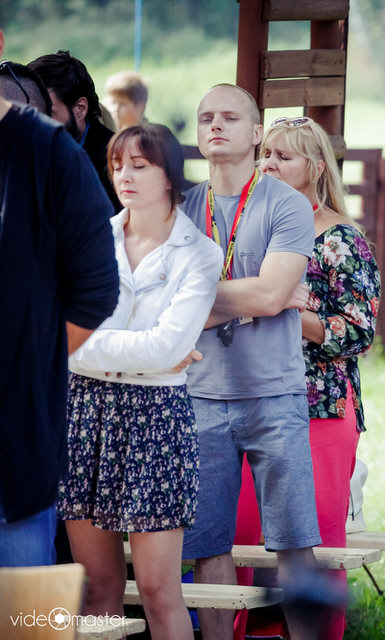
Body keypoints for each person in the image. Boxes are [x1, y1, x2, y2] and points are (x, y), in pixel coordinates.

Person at [58, 124, 222, 639]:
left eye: (139, 165)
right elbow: (59, 335)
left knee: (157, 590)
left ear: (169, 175)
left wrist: (88, 348)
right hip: (84, 412)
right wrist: (138, 352)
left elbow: (167, 348)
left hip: (155, 419)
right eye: (117, 166)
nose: (124, 176)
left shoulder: (200, 253)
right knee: (98, 586)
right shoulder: (87, 239)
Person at [230, 115, 380, 640]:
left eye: (284, 156)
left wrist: (294, 312)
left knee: (313, 547)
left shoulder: (340, 239)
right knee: (238, 537)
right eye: (266, 154)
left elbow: (359, 331)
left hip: (319, 407)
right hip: (244, 399)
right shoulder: (245, 226)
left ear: (315, 168)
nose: (269, 164)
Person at [180, 84, 320, 640]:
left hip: (273, 394)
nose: (216, 125)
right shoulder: (181, 208)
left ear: (257, 133)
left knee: (294, 542)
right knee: (206, 544)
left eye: (229, 117)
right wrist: (259, 295)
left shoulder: (285, 203)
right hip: (197, 394)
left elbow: (271, 294)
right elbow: (160, 305)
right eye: (206, 117)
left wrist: (195, 304)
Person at [0, 26, 118, 568]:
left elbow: (95, 292)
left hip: (16, 452)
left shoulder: (52, 155)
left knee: (26, 611)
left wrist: (29, 363)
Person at [28, 50, 121, 212]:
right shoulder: (25, 148)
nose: (35, 123)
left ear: (80, 108)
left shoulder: (116, 162)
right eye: (30, 112)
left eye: (48, 113)